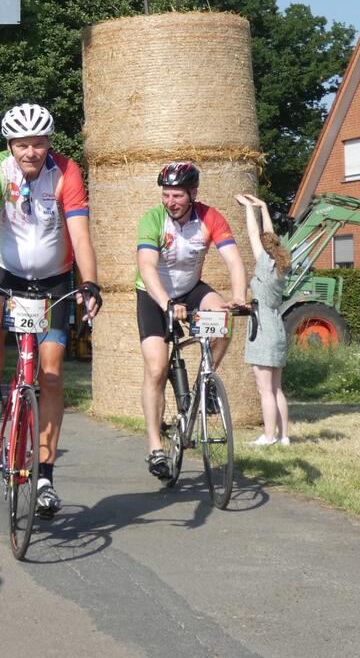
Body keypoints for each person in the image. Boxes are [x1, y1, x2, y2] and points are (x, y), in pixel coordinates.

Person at [0, 103, 101, 518]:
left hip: (53, 279)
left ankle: (44, 474)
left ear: (49, 143)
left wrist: (89, 281)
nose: (31, 152)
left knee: (52, 370)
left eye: (39, 143)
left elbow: (80, 234)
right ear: (10, 145)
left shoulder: (67, 171)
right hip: (6, 273)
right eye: (23, 144)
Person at [136, 161, 247, 481]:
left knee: (223, 318)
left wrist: (239, 295)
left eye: (177, 196)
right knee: (156, 367)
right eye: (166, 195)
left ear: (193, 194)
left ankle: (206, 382)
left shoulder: (210, 218)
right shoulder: (153, 219)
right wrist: (167, 303)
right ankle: (156, 447)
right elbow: (146, 265)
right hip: (154, 293)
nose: (170, 201)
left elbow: (234, 260)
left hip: (190, 288)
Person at [236, 193, 291, 446]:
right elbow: (270, 238)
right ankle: (284, 436)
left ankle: (268, 437)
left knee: (264, 388)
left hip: (263, 327)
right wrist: (264, 208)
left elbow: (253, 236)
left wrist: (249, 209)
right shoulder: (281, 265)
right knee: (277, 387)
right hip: (277, 325)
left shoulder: (265, 264)